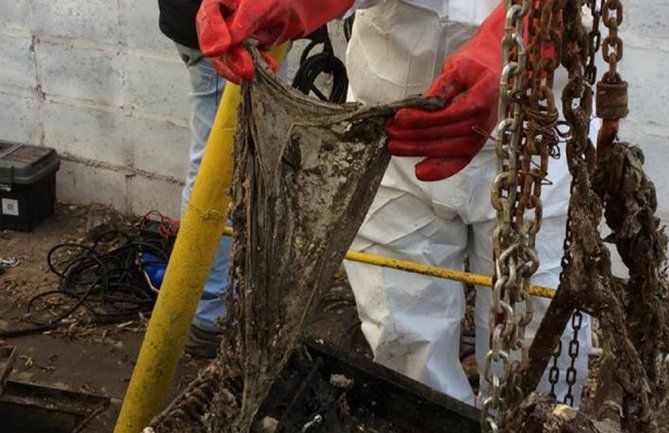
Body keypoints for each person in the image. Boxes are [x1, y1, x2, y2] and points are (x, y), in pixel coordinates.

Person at [195, 0, 593, 407]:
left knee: (539, 333)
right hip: (393, 132)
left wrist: (523, 41)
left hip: (538, 139)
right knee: (404, 336)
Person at [158, 0, 231, 358]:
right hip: (222, 29)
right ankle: (208, 316)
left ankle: (211, 306)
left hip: (199, 21)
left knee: (216, 167)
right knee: (219, 174)